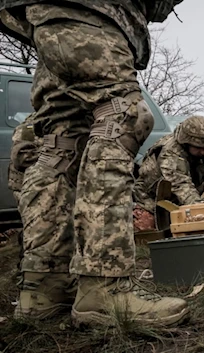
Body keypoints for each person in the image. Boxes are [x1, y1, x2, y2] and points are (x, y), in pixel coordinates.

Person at [1, 1, 189, 326]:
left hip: (48, 14)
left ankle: (44, 286)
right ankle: (104, 283)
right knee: (124, 116)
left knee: (60, 140)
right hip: (91, 9)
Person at [133, 116, 204, 231]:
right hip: (151, 202)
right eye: (198, 148)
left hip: (178, 200)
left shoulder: (199, 151)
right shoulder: (170, 154)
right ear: (186, 143)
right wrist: (202, 212)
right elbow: (181, 186)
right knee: (148, 231)